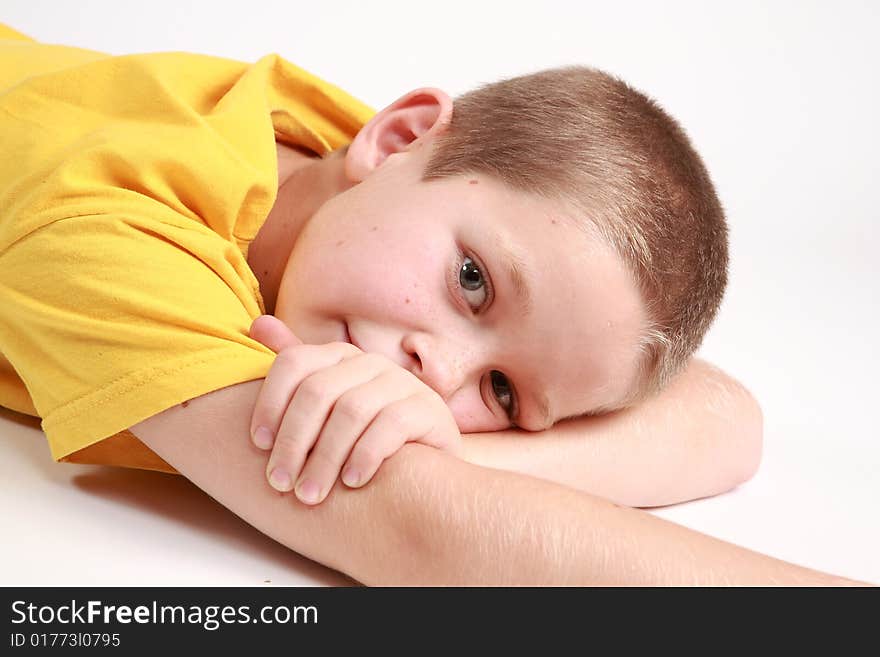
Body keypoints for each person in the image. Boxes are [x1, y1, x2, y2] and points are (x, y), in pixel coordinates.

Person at [0, 23, 867, 585]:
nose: (438, 370)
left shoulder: (378, 187)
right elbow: (415, 533)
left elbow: (725, 417)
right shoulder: (100, 231)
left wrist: (443, 446)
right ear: (401, 134)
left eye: (501, 393)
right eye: (475, 282)